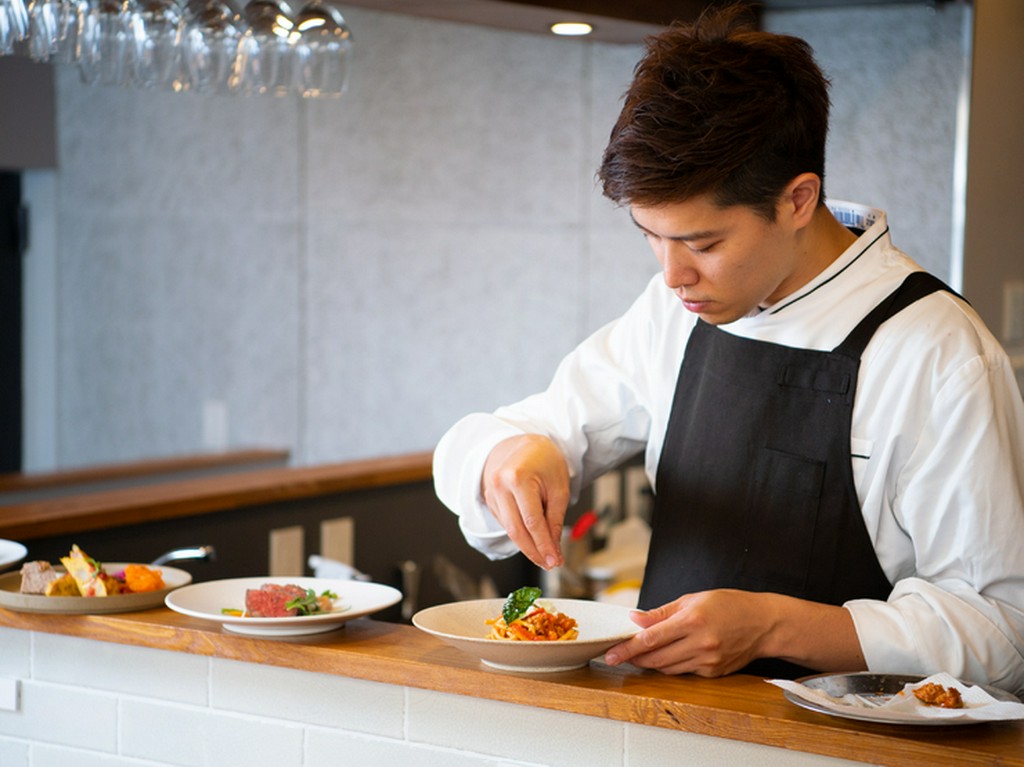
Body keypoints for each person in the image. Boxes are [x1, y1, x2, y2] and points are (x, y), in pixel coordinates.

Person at [432, 3, 1024, 694]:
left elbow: (1004, 628)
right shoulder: (674, 309)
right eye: (651, 237)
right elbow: (503, 434)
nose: (672, 275)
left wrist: (776, 626)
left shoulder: (938, 352)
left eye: (703, 244)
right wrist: (510, 455)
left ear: (799, 200)